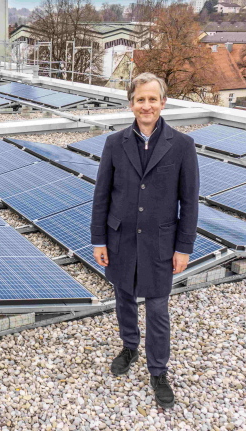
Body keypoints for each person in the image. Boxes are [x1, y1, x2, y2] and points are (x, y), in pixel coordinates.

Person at [90, 73, 199, 409]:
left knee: (157, 309)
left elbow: (189, 201)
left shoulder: (182, 146)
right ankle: (129, 346)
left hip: (160, 244)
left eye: (153, 99)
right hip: (120, 238)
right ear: (131, 103)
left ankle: (158, 370)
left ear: (163, 103)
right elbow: (102, 195)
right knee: (123, 298)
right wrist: (98, 240)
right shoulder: (115, 143)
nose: (146, 105)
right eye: (140, 99)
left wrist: (184, 247)